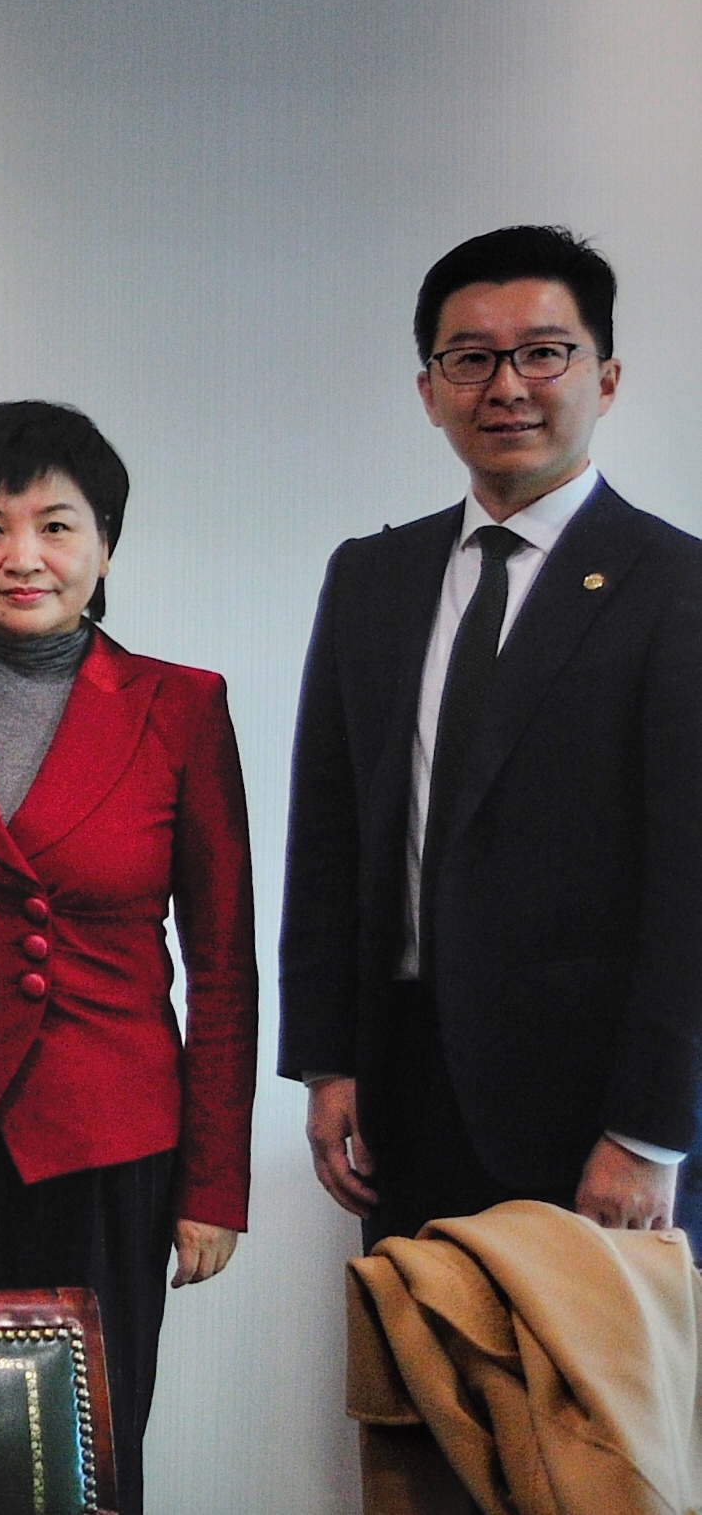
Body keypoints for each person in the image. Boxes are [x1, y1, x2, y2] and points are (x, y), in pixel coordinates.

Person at [0, 401, 254, 1515]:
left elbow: (223, 966)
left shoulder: (183, 705)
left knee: (91, 1456)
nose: (21, 556)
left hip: (110, 1135)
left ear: (105, 543)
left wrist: (214, 1182)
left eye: (56, 525)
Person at [282, 225, 702, 1242]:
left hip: (596, 1110)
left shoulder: (677, 588)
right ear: (430, 391)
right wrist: (326, 1062)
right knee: (412, 1349)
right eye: (470, 358)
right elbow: (328, 835)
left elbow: (689, 883)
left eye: (543, 352)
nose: (507, 385)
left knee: (584, 1357)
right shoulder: (370, 578)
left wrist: (649, 1130)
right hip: (403, 1095)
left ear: (605, 378)